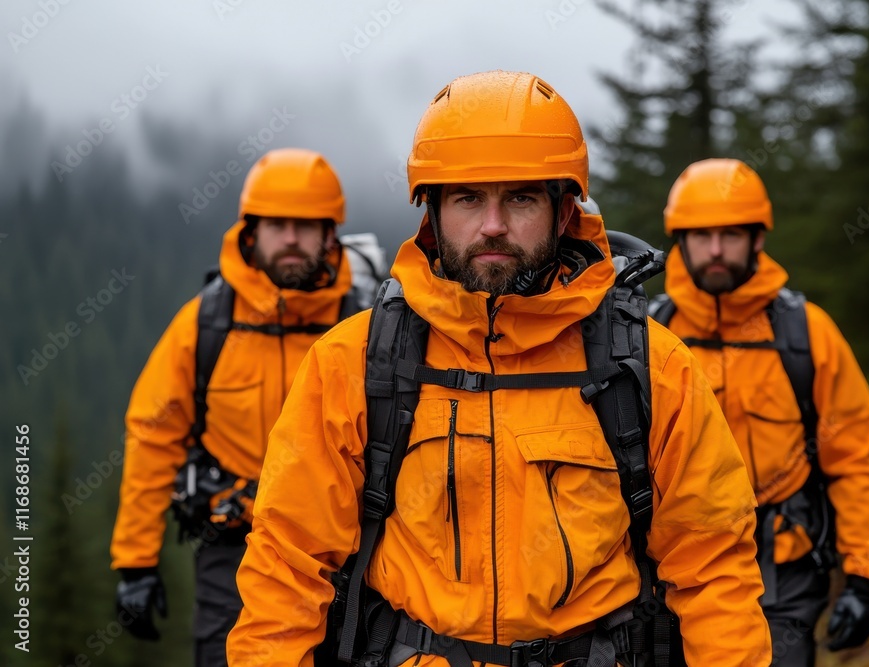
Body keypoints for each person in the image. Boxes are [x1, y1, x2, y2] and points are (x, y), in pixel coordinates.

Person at [227, 71, 771, 667]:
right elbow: (288, 565)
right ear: (431, 213)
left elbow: (714, 569)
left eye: (520, 197)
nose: (492, 224)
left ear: (563, 212)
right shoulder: (354, 361)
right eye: (467, 198)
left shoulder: (649, 365)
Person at [111, 148, 369, 666]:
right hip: (231, 548)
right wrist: (136, 565)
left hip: (346, 557)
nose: (291, 238)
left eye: (305, 224)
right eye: (277, 224)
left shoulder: (365, 328)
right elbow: (153, 435)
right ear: (251, 232)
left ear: (330, 233)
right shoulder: (204, 325)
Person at [649, 158, 869, 665]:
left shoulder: (807, 334)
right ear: (679, 241)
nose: (716, 250)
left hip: (785, 572)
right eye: (702, 235)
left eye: (731, 234)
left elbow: (856, 458)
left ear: (758, 238)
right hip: (672, 575)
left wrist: (862, 579)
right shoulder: (648, 339)